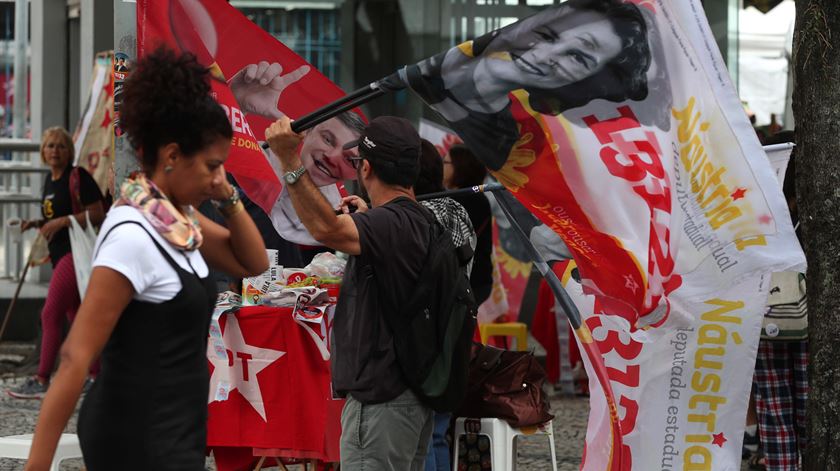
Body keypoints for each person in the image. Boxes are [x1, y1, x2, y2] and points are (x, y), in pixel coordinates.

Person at [24, 48, 268, 471]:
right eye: (211, 166)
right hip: (136, 437)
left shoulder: (176, 220)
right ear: (172, 156)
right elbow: (75, 358)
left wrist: (227, 196)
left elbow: (252, 262)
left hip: (174, 431)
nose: (218, 177)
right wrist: (36, 466)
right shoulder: (133, 233)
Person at [266, 115, 434, 470]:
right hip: (408, 393)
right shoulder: (414, 218)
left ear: (366, 168)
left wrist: (290, 160)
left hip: (381, 396)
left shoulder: (390, 223)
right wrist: (367, 215)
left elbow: (326, 229)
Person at [405, 0, 651, 170]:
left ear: (583, 82)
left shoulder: (510, 145)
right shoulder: (427, 74)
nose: (544, 54)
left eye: (578, 57)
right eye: (546, 34)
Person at [7, 127, 105, 400]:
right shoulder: (50, 182)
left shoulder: (78, 176)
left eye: (60, 146)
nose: (54, 150)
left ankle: (41, 379)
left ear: (69, 151)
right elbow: (57, 215)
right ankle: (96, 375)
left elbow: (97, 213)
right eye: (49, 146)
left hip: (74, 254)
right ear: (42, 152)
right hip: (59, 252)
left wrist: (61, 222)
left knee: (49, 314)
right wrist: (35, 224)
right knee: (76, 317)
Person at [414, 139, 476, 471]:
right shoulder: (457, 209)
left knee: (422, 435)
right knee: (436, 433)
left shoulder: (418, 215)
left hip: (423, 335)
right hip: (455, 329)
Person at [443, 144, 493, 306]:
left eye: (445, 163)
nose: (441, 167)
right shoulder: (471, 197)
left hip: (468, 281)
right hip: (473, 280)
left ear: (460, 167)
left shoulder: (469, 199)